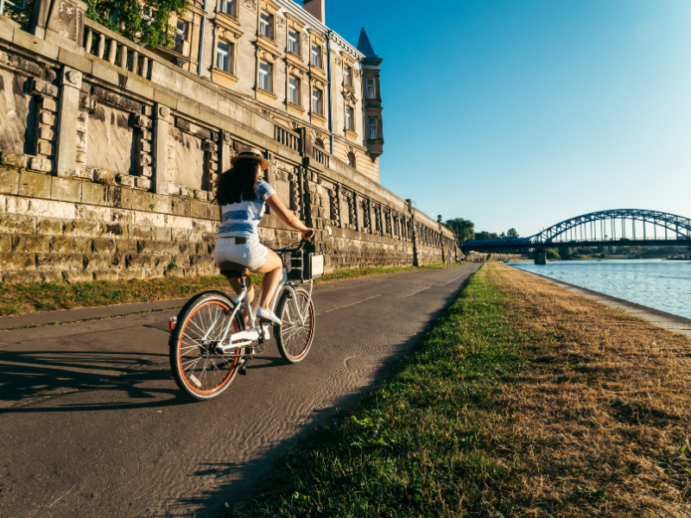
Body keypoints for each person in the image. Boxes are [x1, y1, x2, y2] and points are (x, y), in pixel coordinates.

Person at [215, 147, 314, 325]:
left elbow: (223, 220)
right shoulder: (260, 186)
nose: (261, 170)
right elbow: (288, 217)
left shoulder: (226, 188)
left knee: (247, 301)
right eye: (260, 166)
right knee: (278, 264)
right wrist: (304, 229)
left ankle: (244, 347)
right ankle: (266, 307)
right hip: (244, 245)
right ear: (256, 167)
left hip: (222, 249)